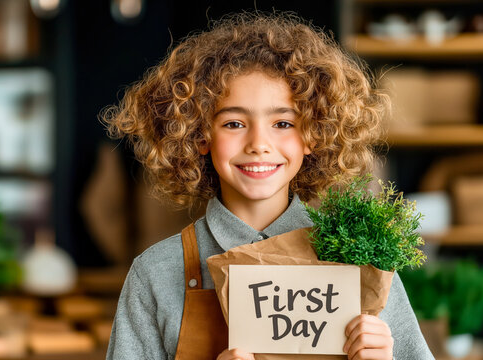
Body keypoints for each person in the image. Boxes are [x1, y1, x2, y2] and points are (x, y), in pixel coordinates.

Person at [100, 12, 434, 360]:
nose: (258, 143)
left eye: (283, 123)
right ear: (201, 135)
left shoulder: (362, 264)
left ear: (313, 135)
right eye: (233, 123)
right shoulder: (155, 273)